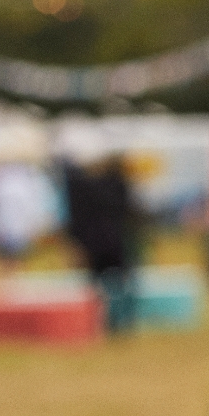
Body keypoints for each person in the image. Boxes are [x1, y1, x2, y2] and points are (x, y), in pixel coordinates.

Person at [59, 137, 138, 335]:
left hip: (93, 240)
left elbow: (74, 219)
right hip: (113, 239)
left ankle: (101, 322)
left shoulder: (76, 185)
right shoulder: (117, 183)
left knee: (99, 285)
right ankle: (119, 322)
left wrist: (75, 244)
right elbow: (129, 211)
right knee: (120, 283)